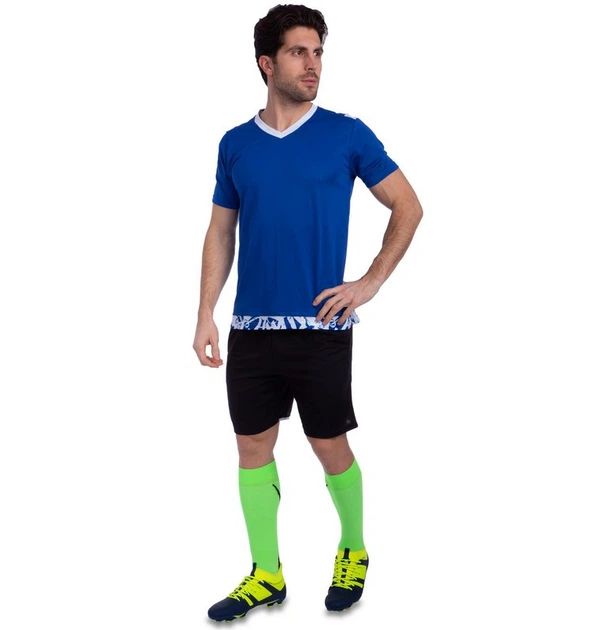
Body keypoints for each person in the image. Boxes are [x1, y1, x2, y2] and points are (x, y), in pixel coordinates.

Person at [193, 3, 423, 622]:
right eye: (299, 52)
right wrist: (206, 311)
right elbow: (221, 231)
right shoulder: (235, 144)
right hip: (251, 328)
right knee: (251, 446)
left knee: (328, 445)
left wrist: (369, 282)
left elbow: (408, 206)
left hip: (321, 326)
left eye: (318, 52)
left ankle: (354, 548)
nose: (312, 63)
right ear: (266, 63)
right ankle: (266, 574)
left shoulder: (347, 134)